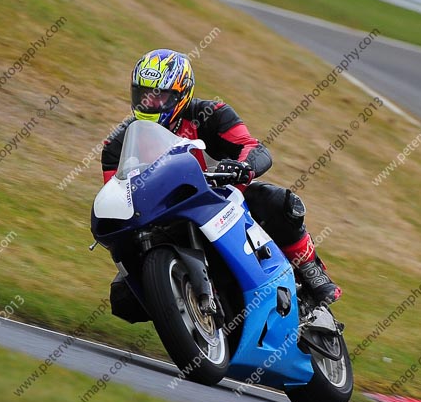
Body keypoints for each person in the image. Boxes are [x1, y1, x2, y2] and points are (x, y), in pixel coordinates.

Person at [101, 49, 341, 305]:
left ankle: (310, 268)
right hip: (163, 214)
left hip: (222, 196)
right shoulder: (117, 143)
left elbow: (254, 147)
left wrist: (243, 166)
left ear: (181, 94)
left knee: (277, 202)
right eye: (143, 94)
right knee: (124, 298)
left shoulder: (212, 113)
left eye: (160, 96)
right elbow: (118, 192)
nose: (150, 102)